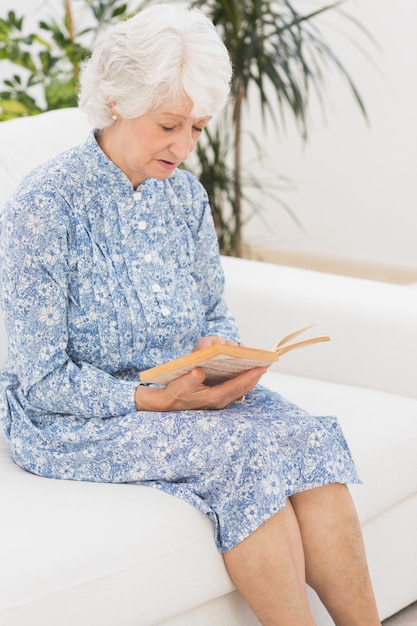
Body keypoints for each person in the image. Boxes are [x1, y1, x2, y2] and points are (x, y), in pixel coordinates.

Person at [0, 4, 381, 625]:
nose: (184, 146)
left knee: (308, 436)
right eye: (170, 125)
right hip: (73, 417)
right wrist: (150, 401)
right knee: (242, 460)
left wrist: (223, 356)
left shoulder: (185, 195)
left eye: (198, 128)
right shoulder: (45, 206)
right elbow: (39, 379)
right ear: (117, 102)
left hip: (187, 393)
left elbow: (213, 309)